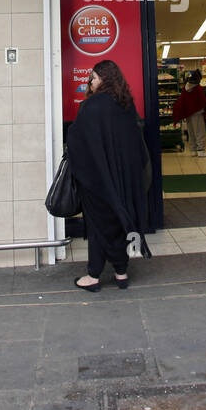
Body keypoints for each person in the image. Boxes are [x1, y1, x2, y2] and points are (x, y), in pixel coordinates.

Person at [67, 59, 152, 290]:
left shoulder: (90, 107)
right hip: (123, 179)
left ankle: (94, 275)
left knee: (97, 226)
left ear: (103, 79)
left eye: (92, 78)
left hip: (96, 180)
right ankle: (121, 272)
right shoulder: (126, 105)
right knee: (117, 221)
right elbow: (137, 143)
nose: (89, 82)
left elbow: (76, 141)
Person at [172, 70, 206, 157]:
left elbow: (182, 100)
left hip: (188, 113)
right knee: (200, 132)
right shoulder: (197, 88)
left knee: (191, 132)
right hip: (197, 113)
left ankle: (193, 150)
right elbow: (202, 100)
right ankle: (201, 150)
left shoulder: (185, 88)